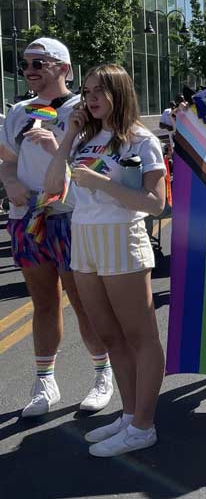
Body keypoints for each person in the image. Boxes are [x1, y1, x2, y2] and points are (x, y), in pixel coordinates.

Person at [43, 63, 167, 456]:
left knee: (140, 336)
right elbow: (50, 188)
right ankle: (129, 415)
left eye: (99, 91)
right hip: (84, 237)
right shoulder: (83, 139)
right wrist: (67, 140)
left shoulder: (140, 140)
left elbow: (157, 204)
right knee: (109, 335)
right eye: (87, 91)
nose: (90, 98)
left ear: (119, 93)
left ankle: (144, 424)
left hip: (122, 237)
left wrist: (103, 183)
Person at [0, 38, 113, 417]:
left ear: (63, 68)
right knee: (43, 301)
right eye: (25, 64)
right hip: (28, 220)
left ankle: (102, 374)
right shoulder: (18, 111)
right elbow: (8, 160)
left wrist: (56, 149)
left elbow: (97, 168)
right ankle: (44, 382)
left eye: (39, 63)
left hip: (70, 216)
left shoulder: (86, 110)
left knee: (82, 301)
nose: (30, 70)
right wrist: (10, 181)